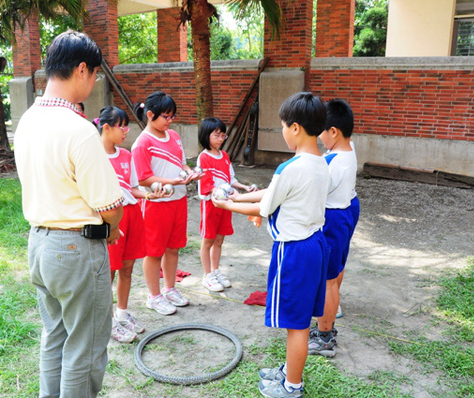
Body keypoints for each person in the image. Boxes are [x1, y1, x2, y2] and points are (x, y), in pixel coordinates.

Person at [13, 30, 124, 398]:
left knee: (55, 336)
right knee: (85, 347)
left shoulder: (27, 119)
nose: (93, 83)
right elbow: (109, 206)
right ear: (81, 69)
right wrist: (112, 229)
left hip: (40, 244)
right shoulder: (79, 129)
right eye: (94, 74)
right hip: (76, 249)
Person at [212, 92, 329, 398]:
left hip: (294, 251)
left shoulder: (290, 168)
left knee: (297, 324)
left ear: (295, 128)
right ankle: (290, 374)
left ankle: (292, 386)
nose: (282, 132)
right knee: (301, 321)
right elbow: (272, 193)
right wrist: (237, 196)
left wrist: (226, 206)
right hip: (315, 245)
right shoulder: (321, 163)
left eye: (281, 126)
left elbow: (262, 206)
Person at [95, 105, 164, 342]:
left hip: (133, 214)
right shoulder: (94, 158)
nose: (126, 131)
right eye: (121, 126)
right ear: (106, 127)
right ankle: (108, 322)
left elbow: (133, 188)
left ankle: (122, 313)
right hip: (110, 218)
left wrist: (149, 194)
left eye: (127, 126)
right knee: (109, 272)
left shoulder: (126, 156)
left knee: (127, 268)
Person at [131, 91, 202, 315]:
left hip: (178, 200)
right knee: (153, 252)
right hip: (156, 204)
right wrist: (170, 180)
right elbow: (142, 179)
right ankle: (154, 296)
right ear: (150, 115)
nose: (170, 121)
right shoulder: (142, 143)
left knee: (173, 248)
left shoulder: (174, 136)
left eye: (172, 116)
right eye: (166, 116)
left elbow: (182, 164)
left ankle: (170, 289)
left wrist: (191, 173)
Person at [308, 98, 360, 357]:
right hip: (349, 208)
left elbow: (308, 191)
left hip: (334, 218)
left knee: (327, 281)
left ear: (334, 132)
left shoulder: (331, 163)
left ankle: (325, 336)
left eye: (321, 132)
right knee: (336, 272)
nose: (319, 138)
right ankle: (332, 310)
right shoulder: (350, 148)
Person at [196, 117, 256, 292]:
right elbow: (204, 185)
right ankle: (207, 276)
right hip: (211, 205)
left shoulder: (224, 156)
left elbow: (231, 179)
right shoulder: (203, 158)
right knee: (208, 241)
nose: (221, 139)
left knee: (220, 240)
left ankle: (215, 271)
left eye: (223, 135)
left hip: (225, 205)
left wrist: (244, 187)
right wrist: (219, 192)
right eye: (217, 135)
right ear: (206, 135)